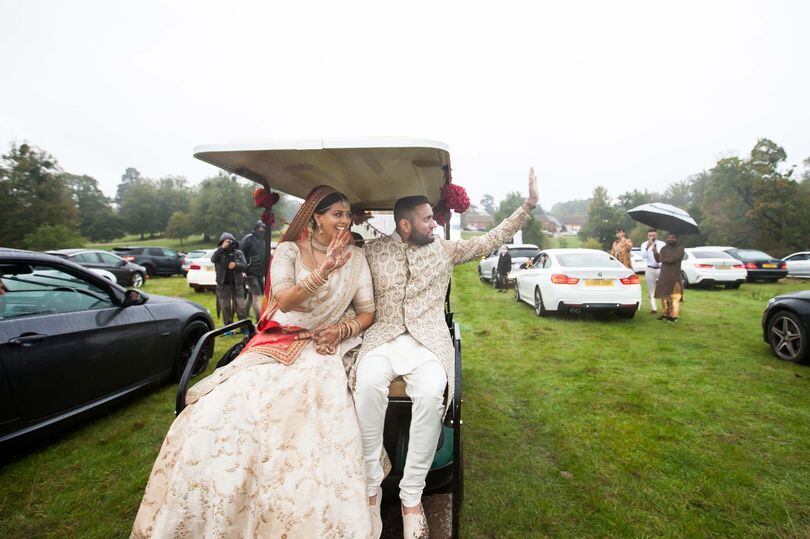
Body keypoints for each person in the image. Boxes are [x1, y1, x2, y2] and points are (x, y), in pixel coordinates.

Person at [132, 186, 376, 538]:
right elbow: (286, 301)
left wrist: (342, 329)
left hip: (324, 348)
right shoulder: (290, 250)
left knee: (302, 412)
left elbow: (367, 312)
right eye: (337, 213)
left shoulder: (356, 258)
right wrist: (325, 269)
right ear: (315, 218)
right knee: (221, 407)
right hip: (283, 338)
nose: (344, 220)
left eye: (347, 214)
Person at [355, 168, 539, 538]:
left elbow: (491, 240)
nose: (435, 224)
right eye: (427, 220)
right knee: (367, 384)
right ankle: (371, 487)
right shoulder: (372, 252)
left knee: (430, 393)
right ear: (405, 225)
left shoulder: (445, 250)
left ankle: (411, 496)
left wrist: (528, 206)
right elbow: (336, 256)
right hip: (384, 338)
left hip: (427, 343)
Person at [210, 232, 249, 326]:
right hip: (223, 284)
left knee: (240, 306)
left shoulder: (238, 253)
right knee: (225, 307)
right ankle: (228, 327)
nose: (228, 243)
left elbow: (244, 266)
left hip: (237, 284)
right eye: (226, 241)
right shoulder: (219, 253)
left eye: (230, 241)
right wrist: (222, 248)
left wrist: (236, 265)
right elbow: (213, 259)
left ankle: (243, 326)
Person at [654, 231, 685, 322]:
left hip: (674, 276)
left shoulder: (680, 248)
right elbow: (658, 260)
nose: (671, 239)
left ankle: (674, 316)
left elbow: (672, 259)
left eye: (673, 237)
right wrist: (655, 252)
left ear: (676, 238)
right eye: (669, 237)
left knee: (675, 297)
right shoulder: (664, 248)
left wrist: (662, 258)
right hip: (664, 276)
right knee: (664, 297)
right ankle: (665, 314)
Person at [240, 220, 267, 320]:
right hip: (249, 272)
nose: (262, 230)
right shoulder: (248, 239)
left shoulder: (263, 241)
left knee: (251, 295)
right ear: (256, 228)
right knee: (257, 295)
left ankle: (245, 316)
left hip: (260, 272)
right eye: (260, 228)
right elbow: (240, 253)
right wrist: (242, 270)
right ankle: (259, 319)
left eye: (264, 228)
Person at [639, 228, 666, 313]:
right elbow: (643, 256)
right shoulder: (644, 244)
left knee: (663, 288)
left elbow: (664, 255)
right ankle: (654, 308)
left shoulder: (662, 244)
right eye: (650, 236)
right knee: (651, 289)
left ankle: (665, 307)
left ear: (656, 235)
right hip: (650, 268)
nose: (652, 237)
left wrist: (656, 251)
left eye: (654, 235)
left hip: (660, 268)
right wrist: (647, 247)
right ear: (648, 236)